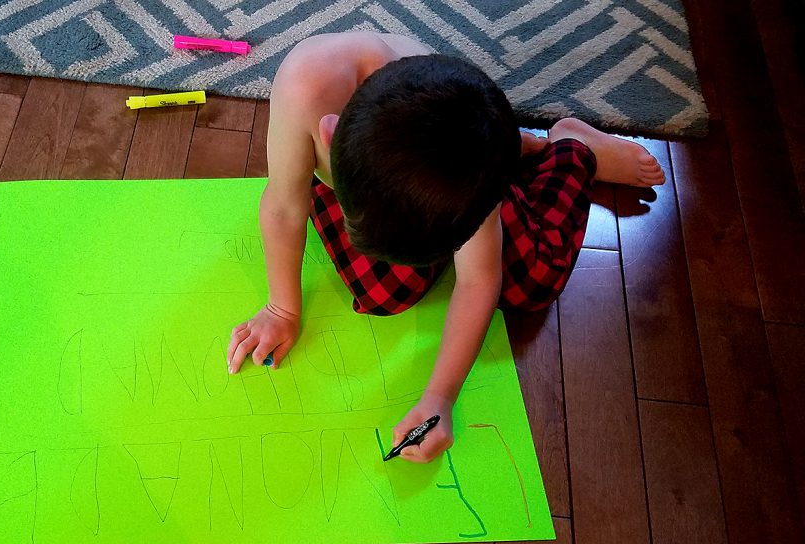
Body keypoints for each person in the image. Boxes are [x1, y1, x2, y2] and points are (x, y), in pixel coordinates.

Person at [225, 32, 665, 463]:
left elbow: (478, 278)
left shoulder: (467, 175)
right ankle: (525, 147)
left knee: (535, 282)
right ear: (330, 132)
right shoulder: (305, 86)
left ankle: (573, 148)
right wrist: (282, 309)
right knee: (380, 294)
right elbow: (284, 207)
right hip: (400, 163)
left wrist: (440, 397)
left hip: (464, 154)